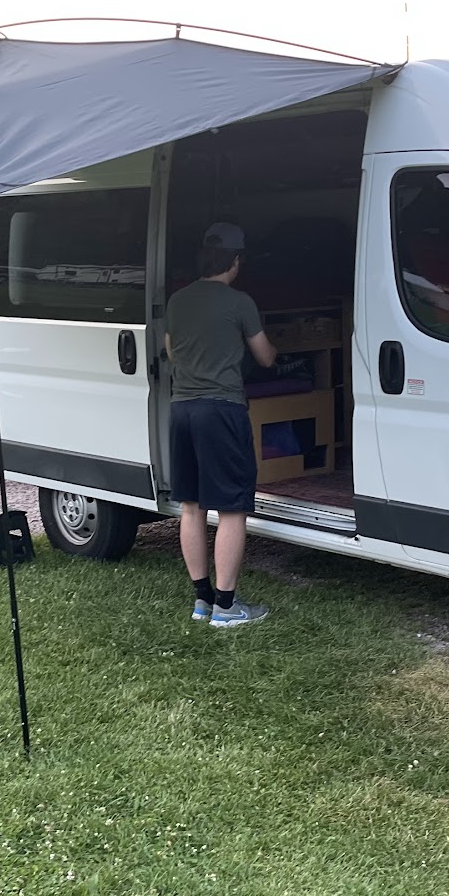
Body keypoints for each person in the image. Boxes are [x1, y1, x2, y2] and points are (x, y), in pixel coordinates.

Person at [165, 222, 277, 627]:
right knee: (231, 507)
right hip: (222, 409)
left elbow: (172, 352)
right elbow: (265, 357)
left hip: (182, 409)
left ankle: (202, 601)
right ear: (235, 260)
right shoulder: (239, 302)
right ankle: (227, 608)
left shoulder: (178, 300)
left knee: (191, 506)